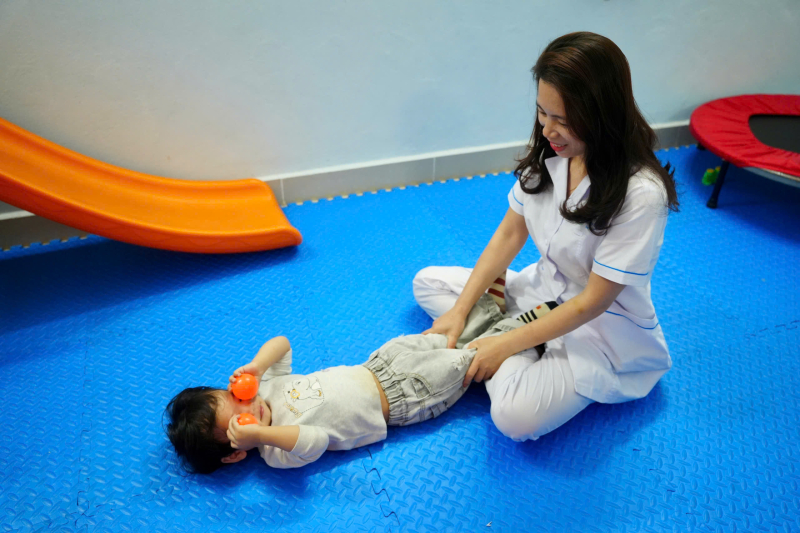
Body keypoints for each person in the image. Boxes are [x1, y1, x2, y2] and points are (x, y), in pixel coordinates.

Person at [413, 31, 679, 443]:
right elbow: (508, 234)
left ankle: (506, 344)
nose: (549, 130)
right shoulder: (552, 156)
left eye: (565, 120)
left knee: (514, 419)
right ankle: (509, 343)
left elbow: (592, 302)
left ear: (603, 115)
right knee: (427, 283)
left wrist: (505, 344)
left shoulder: (642, 194)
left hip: (597, 330)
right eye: (543, 112)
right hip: (540, 295)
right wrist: (460, 312)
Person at [164, 295, 557, 474]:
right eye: (240, 420)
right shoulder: (274, 451)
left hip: (382, 362)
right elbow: (315, 441)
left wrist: (257, 366)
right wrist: (261, 435)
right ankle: (526, 328)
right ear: (236, 452)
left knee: (443, 337)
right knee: (466, 361)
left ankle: (490, 305)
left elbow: (282, 344)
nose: (249, 406)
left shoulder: (266, 389)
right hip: (407, 398)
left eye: (234, 397)